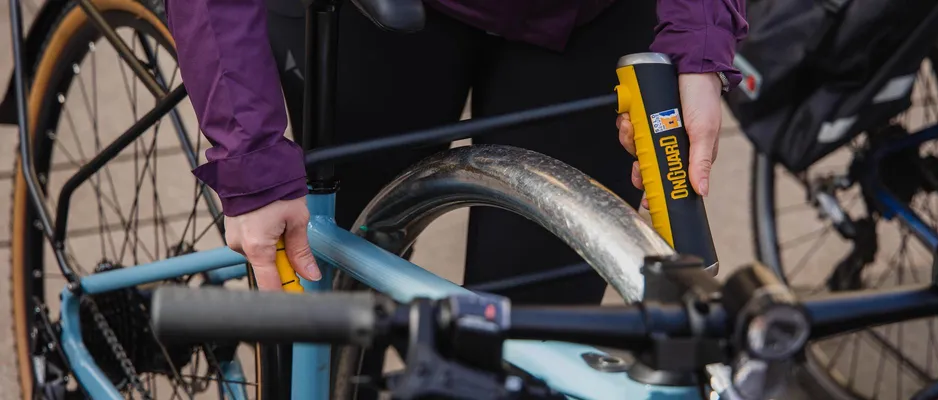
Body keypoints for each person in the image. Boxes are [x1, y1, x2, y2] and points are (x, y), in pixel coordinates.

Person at [165, 0, 747, 303]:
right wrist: (251, 155)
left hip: (585, 19)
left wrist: (698, 43)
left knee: (531, 340)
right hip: (380, 21)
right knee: (326, 310)